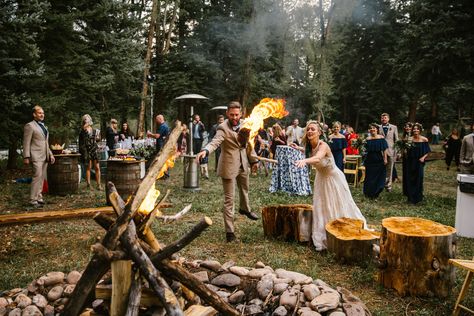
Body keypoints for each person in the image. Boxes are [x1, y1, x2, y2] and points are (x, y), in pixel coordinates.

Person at [293, 121, 367, 251]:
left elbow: (317, 158)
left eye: (313, 129)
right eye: (308, 129)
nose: (310, 131)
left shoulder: (324, 145)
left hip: (333, 179)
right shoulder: (309, 146)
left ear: (320, 133)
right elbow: (309, 152)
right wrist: (297, 148)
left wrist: (304, 161)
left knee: (337, 203)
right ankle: (324, 231)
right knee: (322, 205)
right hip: (321, 179)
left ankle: (340, 229)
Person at [195, 101, 259, 242]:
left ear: (241, 113)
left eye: (237, 114)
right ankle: (230, 233)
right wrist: (205, 150)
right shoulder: (222, 128)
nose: (234, 117)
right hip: (228, 166)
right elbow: (215, 142)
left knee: (245, 189)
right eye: (232, 115)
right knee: (229, 200)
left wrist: (254, 161)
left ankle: (245, 209)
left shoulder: (246, 124)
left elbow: (249, 144)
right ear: (227, 114)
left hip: (243, 163)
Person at [23, 105, 55, 207]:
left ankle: (39, 197)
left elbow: (46, 142)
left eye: (43, 113)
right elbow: (26, 142)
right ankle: (32, 199)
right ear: (34, 114)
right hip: (35, 155)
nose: (42, 115)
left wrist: (51, 154)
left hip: (45, 155)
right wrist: (26, 156)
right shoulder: (30, 126)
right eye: (39, 113)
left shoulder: (44, 127)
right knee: (37, 176)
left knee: (42, 177)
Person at [405, 123, 431, 204]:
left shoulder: (424, 139)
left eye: (417, 129)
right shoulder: (409, 139)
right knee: (410, 178)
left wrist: (423, 158)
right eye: (414, 129)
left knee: (418, 178)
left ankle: (418, 197)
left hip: (419, 161)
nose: (415, 130)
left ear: (420, 130)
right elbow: (406, 149)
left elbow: (428, 151)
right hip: (410, 161)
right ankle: (410, 197)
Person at [363, 123, 388, 199]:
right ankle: (368, 193)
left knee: (379, 176)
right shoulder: (367, 139)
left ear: (377, 129)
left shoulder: (381, 138)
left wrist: (385, 159)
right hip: (369, 160)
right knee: (369, 177)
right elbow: (364, 150)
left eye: (374, 128)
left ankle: (376, 192)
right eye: (371, 128)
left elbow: (384, 149)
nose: (372, 129)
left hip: (379, 159)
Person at [79, 114, 102, 190]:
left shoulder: (93, 130)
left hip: (94, 149)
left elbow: (96, 140)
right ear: (84, 121)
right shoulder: (82, 130)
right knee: (88, 167)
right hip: (87, 150)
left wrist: (98, 138)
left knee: (97, 167)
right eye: (85, 119)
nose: (87, 120)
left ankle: (99, 185)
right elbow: (82, 141)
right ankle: (89, 184)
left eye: (88, 118)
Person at [378, 113, 398, 192]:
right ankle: (380, 184)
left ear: (388, 119)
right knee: (380, 168)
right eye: (382, 118)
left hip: (391, 150)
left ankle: (388, 186)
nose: (384, 119)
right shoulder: (378, 127)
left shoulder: (394, 127)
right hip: (380, 151)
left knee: (390, 169)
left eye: (385, 118)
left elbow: (396, 140)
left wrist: (397, 152)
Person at [401, 122, 413, 196]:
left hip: (412, 157)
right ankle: (406, 191)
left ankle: (411, 190)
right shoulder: (404, 136)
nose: (407, 128)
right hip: (405, 158)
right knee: (405, 173)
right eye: (406, 127)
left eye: (409, 127)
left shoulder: (414, 136)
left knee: (411, 173)